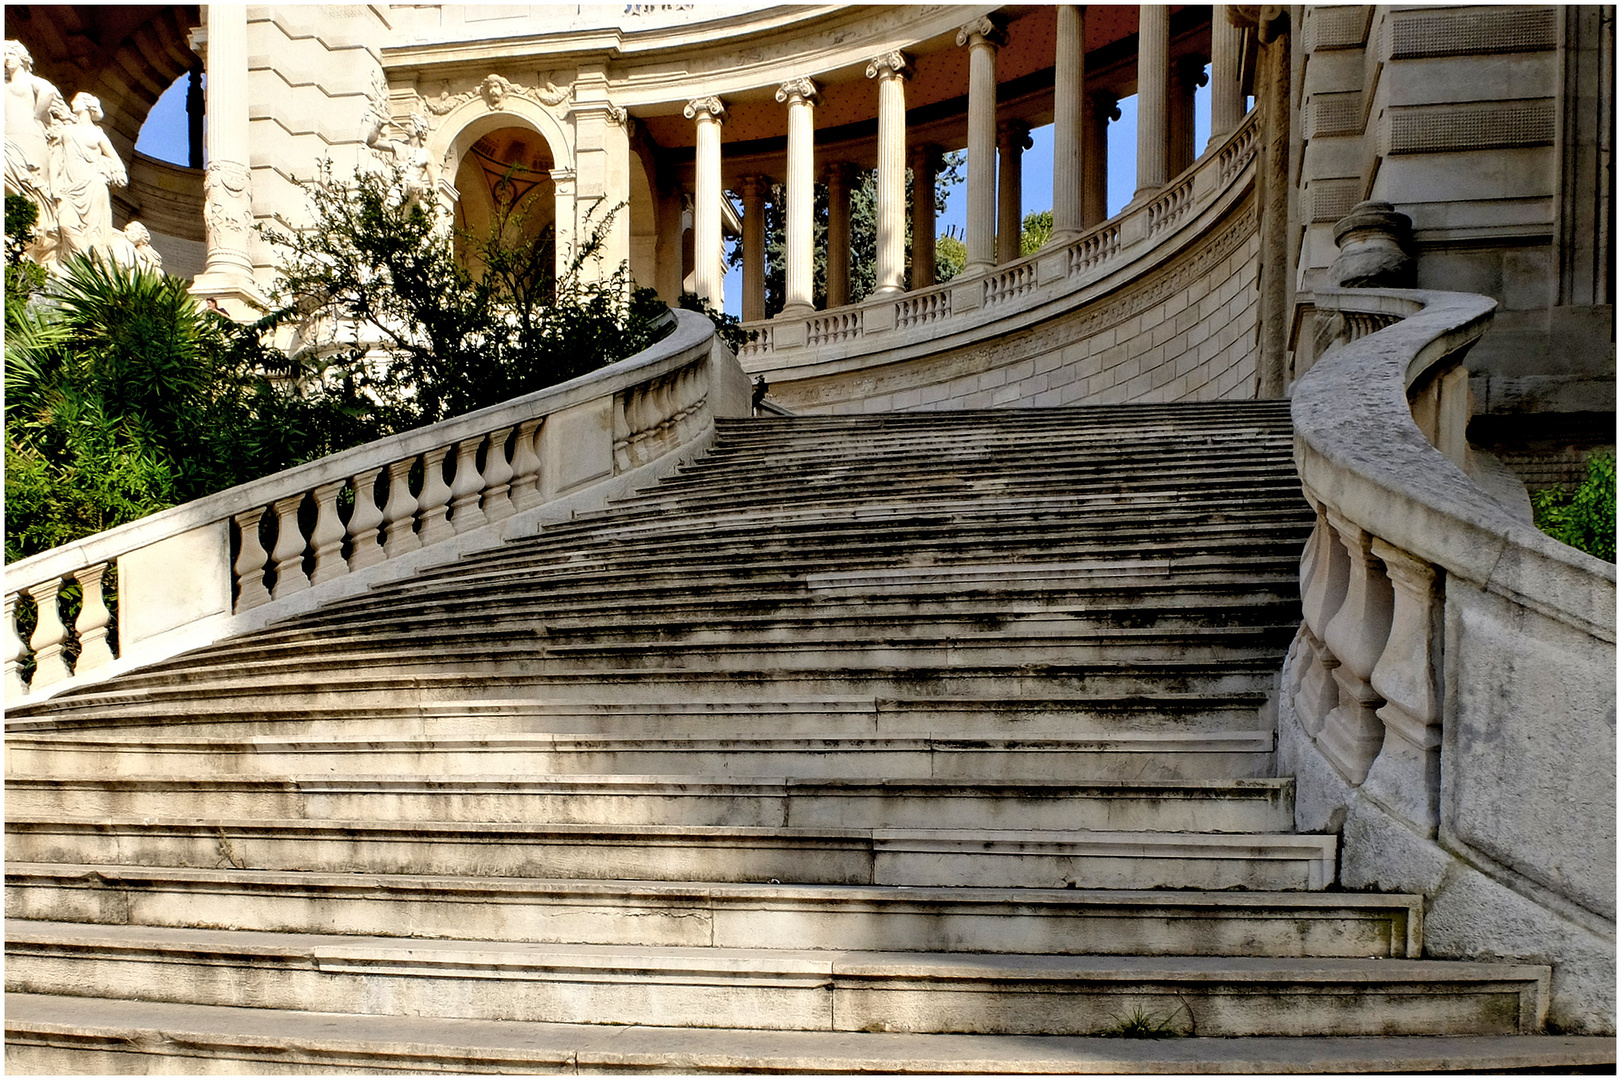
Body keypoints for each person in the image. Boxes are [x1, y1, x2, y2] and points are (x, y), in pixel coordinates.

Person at [55, 92, 127, 261]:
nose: (73, 102)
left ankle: (92, 268)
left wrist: (102, 166)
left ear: (88, 105)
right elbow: (54, 155)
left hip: (93, 185)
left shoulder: (98, 135)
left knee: (94, 232)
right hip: (69, 186)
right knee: (65, 224)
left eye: (78, 99)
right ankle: (81, 262)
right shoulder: (66, 130)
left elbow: (118, 165)